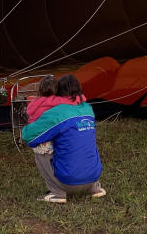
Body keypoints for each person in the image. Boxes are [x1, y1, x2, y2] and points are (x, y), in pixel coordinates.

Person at [21, 74, 107, 203]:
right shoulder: (88, 109)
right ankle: (95, 189)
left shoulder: (58, 112)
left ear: (58, 91)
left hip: (69, 183)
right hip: (93, 178)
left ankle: (57, 193)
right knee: (83, 141)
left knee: (41, 146)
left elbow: (28, 135)